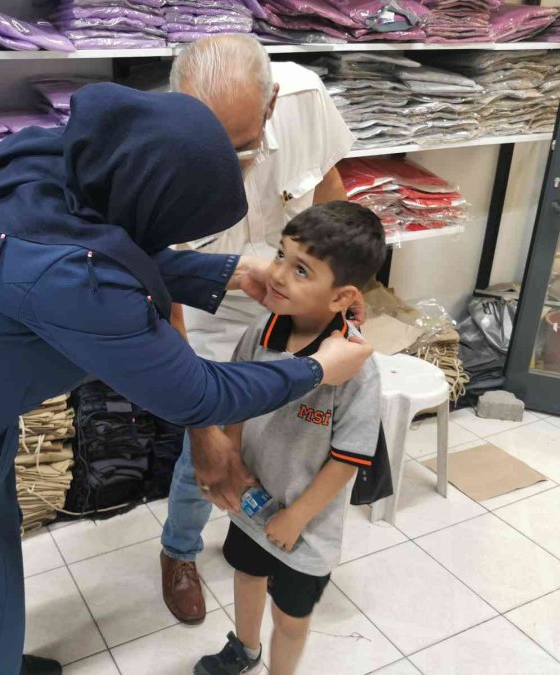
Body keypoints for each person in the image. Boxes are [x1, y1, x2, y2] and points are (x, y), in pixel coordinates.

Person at [0, 84, 373, 675]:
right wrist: (315, 368)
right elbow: (198, 392)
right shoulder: (72, 276)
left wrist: (226, 270)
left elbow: (108, 244)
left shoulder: (54, 161)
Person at [159, 35, 358, 625]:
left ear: (270, 104)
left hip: (290, 288)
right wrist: (201, 423)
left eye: (242, 147)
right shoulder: (156, 150)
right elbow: (162, 293)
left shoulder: (304, 98)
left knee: (296, 429)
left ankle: (262, 532)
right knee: (210, 444)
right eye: (209, 146)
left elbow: (329, 190)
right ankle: (179, 550)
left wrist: (349, 288)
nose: (228, 166)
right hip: (199, 301)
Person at [195, 201, 387, 675]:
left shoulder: (356, 368)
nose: (277, 274)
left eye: (301, 270)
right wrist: (229, 459)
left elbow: (347, 458)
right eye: (281, 254)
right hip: (250, 502)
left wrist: (297, 517)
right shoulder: (260, 331)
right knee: (246, 575)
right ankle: (244, 648)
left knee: (290, 617)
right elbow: (237, 403)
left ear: (342, 297)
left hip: (307, 528)